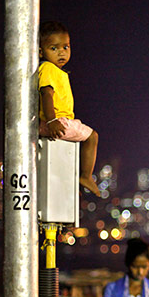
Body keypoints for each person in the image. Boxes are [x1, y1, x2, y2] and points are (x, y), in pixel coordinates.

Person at [38, 20, 100, 195]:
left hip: (54, 122)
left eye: (66, 47)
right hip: (56, 122)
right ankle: (86, 176)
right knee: (92, 137)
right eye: (54, 48)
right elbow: (46, 95)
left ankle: (74, 183)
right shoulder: (49, 69)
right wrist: (52, 121)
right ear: (41, 51)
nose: (61, 53)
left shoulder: (57, 71)